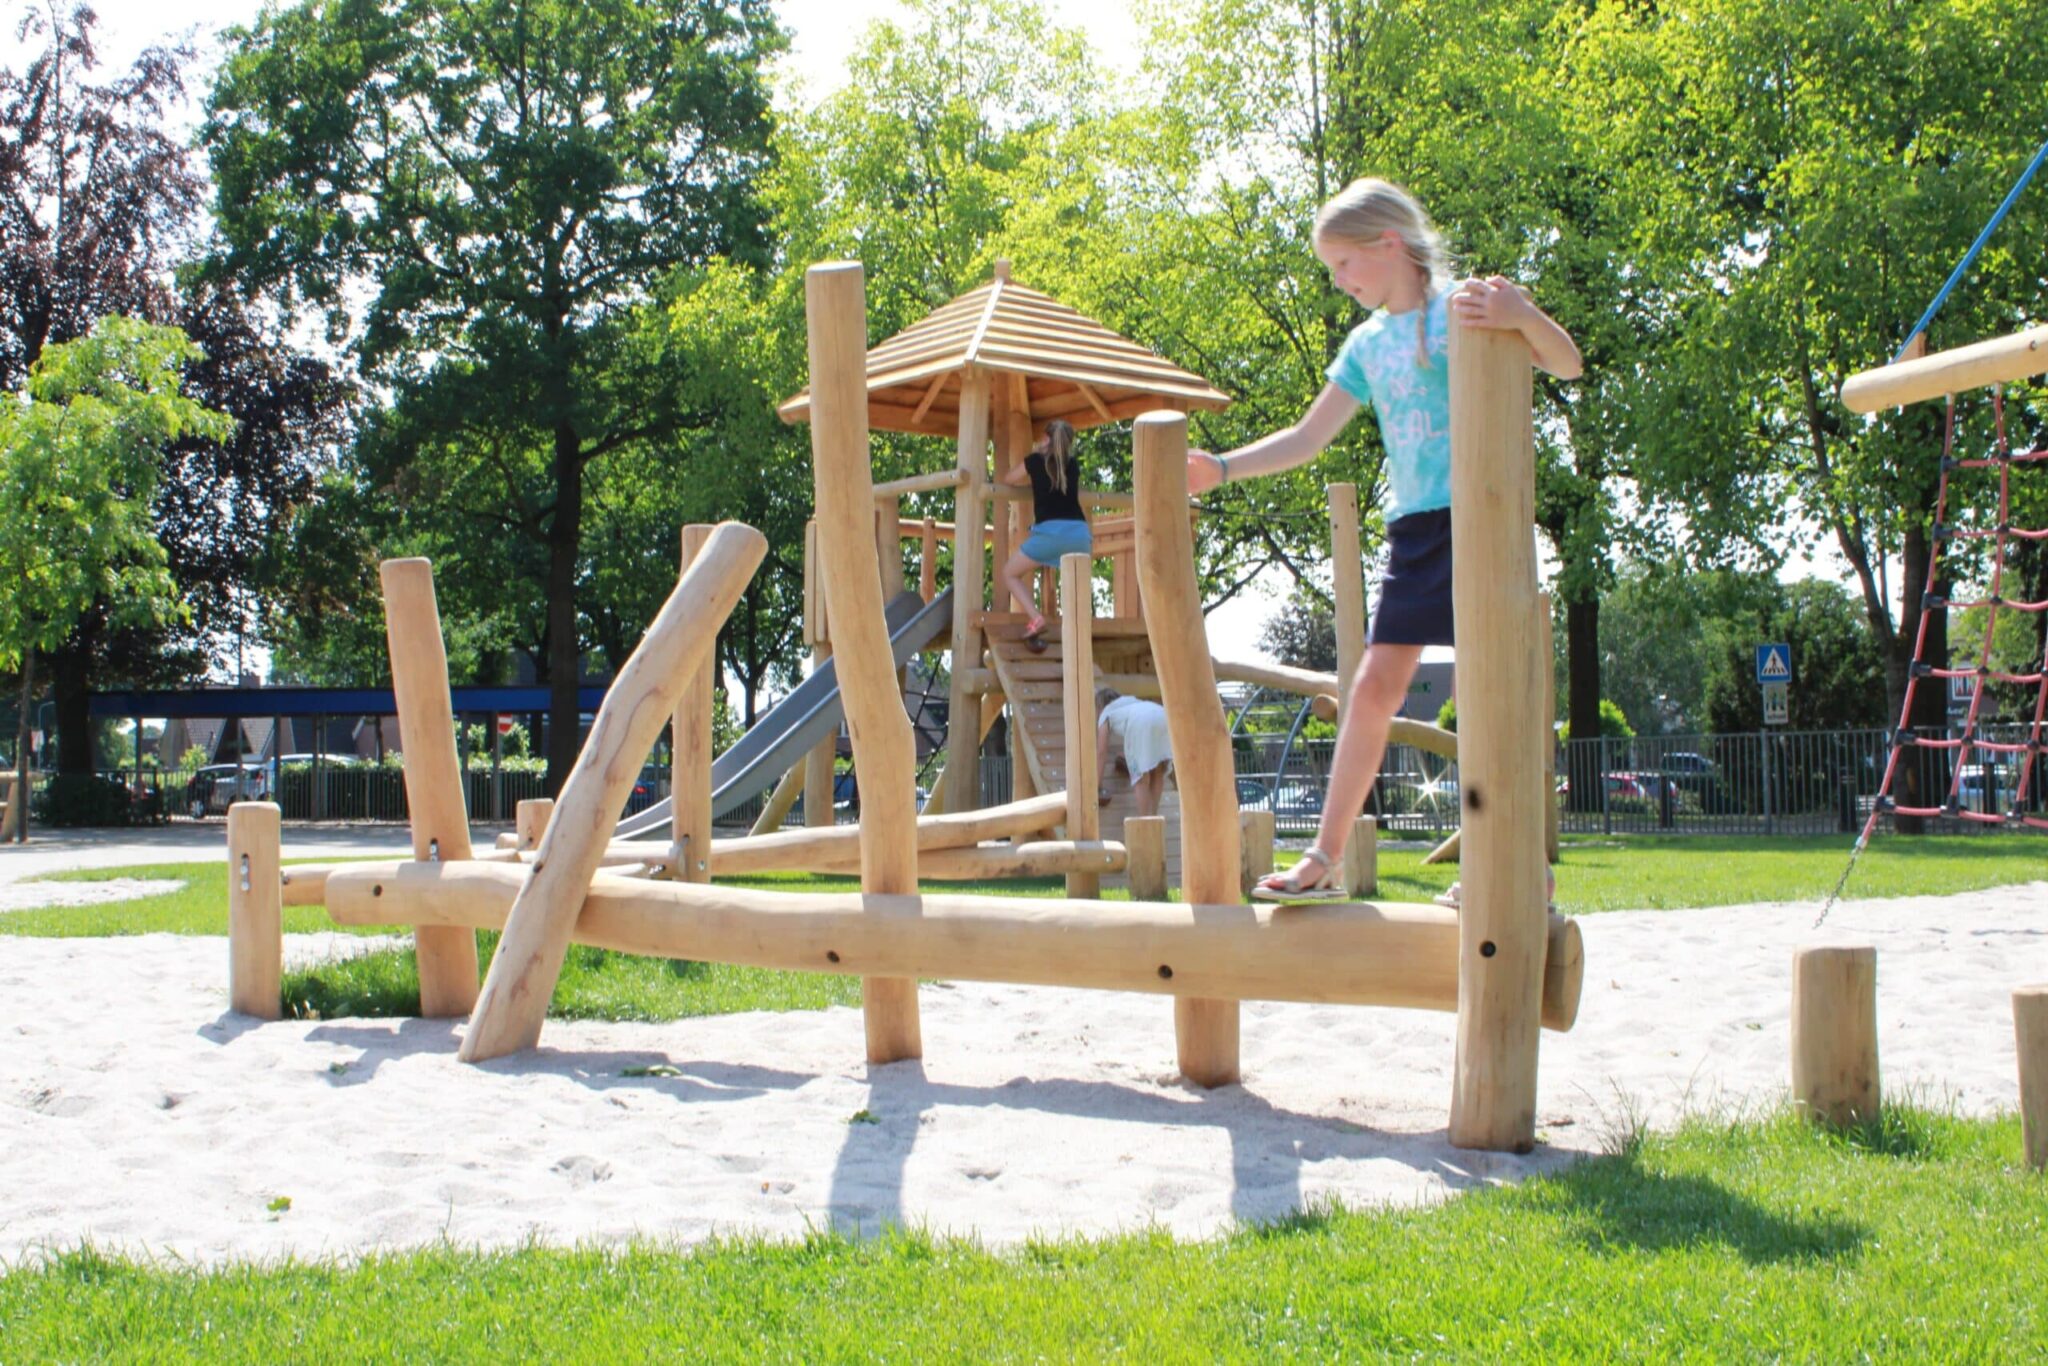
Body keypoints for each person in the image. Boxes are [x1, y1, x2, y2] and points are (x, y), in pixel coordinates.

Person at [1184, 177, 1582, 901]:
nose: (1339, 281)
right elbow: (1307, 436)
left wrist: (1523, 314)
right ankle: (1325, 859)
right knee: (1370, 691)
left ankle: (1518, 866)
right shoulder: (1368, 345)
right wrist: (1222, 467)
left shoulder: (1465, 308)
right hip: (1415, 531)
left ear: (1388, 244)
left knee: (1492, 694)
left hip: (1483, 521)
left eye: (1344, 263)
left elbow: (1567, 363)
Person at [999, 418, 1088, 650]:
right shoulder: (1072, 465)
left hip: (1051, 533)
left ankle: (1036, 618)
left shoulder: (1036, 460)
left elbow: (1008, 479)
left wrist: (1036, 453)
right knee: (1073, 581)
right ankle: (1078, 625)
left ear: (1046, 438)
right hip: (1080, 534)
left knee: (1009, 573)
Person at [1094, 687, 1172, 818]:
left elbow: (1101, 752)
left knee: (1141, 778)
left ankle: (1144, 820)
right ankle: (1154, 817)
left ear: (1099, 706)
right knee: (1158, 771)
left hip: (1140, 724)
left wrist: (1096, 786)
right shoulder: (1131, 701)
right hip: (1162, 715)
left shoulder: (1106, 713)